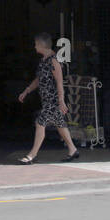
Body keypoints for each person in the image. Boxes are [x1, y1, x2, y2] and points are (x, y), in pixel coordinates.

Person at [17, 33, 79, 164]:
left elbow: (59, 82)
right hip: (47, 100)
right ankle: (73, 150)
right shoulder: (43, 60)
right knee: (60, 124)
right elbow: (39, 79)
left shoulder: (54, 60)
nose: (34, 47)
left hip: (53, 101)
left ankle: (31, 155)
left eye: (35, 44)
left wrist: (61, 101)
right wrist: (27, 91)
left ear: (41, 45)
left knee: (40, 123)